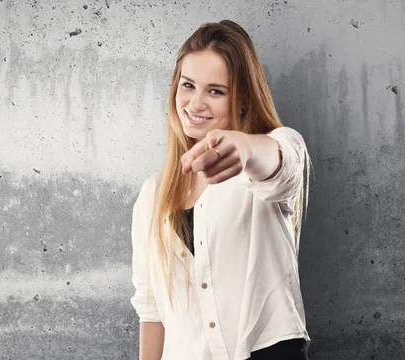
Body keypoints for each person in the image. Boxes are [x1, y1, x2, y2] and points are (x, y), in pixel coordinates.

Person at [130, 20, 312, 360]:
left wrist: (242, 148)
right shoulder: (153, 193)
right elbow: (151, 308)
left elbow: (282, 164)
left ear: (241, 100)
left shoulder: (272, 151)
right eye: (188, 85)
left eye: (216, 91)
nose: (195, 104)